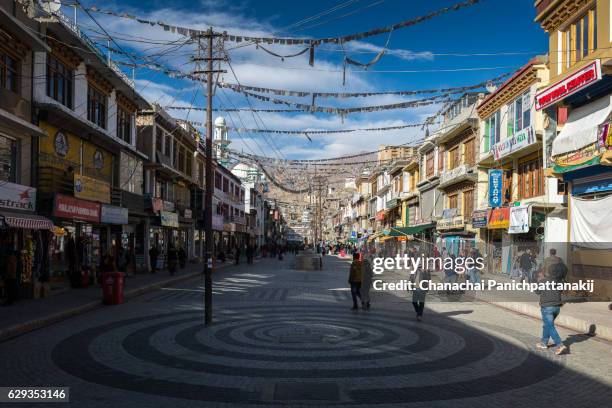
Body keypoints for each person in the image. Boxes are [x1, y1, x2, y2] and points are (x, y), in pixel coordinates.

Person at [535, 266, 567, 355]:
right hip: (557, 308)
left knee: (550, 326)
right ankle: (543, 343)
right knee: (547, 325)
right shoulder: (558, 281)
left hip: (547, 307)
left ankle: (560, 345)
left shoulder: (542, 281)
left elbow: (537, 291)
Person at [411, 257, 430, 321]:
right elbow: (411, 278)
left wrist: (425, 272)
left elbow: (428, 279)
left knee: (421, 302)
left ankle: (419, 315)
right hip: (415, 288)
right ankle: (418, 311)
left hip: (422, 288)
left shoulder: (425, 271)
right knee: (414, 302)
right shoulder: (414, 271)